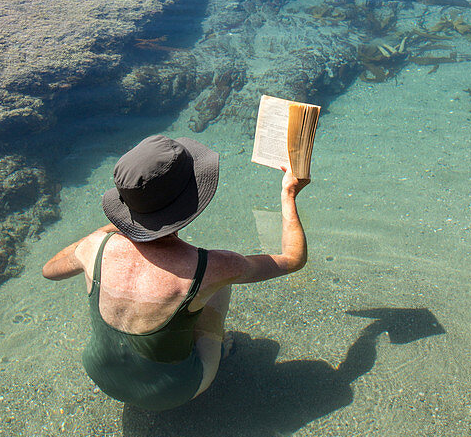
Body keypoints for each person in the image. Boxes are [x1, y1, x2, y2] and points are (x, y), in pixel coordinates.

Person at [42, 133, 309, 412]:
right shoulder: (211, 267)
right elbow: (293, 258)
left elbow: (50, 270)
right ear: (189, 201)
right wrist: (289, 193)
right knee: (218, 287)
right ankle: (214, 349)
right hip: (173, 391)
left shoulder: (95, 245)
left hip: (102, 374)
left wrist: (125, 224)